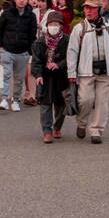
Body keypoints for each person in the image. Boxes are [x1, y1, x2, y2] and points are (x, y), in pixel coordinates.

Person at [67, 0, 109, 143]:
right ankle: (81, 123)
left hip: (105, 71)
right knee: (85, 100)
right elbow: (72, 52)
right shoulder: (80, 28)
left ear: (99, 9)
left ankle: (96, 130)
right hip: (86, 71)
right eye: (86, 8)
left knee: (102, 102)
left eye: (91, 8)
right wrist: (71, 73)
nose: (88, 11)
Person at [0, 0, 37, 111]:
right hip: (7, 50)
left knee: (19, 78)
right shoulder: (7, 13)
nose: (22, 1)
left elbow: (32, 35)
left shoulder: (31, 16)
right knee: (6, 75)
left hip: (23, 52)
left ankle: (16, 100)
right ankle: (4, 99)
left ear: (27, 0)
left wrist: (29, 50)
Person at [32, 10, 71, 142]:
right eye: (51, 24)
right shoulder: (39, 42)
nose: (53, 26)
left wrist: (59, 65)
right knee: (45, 104)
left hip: (61, 77)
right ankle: (47, 131)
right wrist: (38, 75)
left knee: (61, 105)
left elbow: (70, 58)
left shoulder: (67, 41)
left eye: (56, 24)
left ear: (61, 26)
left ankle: (57, 127)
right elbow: (36, 60)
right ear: (47, 25)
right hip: (45, 77)